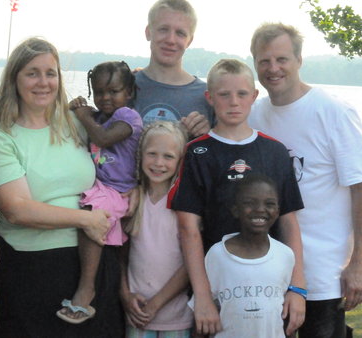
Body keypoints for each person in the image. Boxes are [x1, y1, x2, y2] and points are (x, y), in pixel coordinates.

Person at [0, 37, 125, 337]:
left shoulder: (77, 123)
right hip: (31, 270)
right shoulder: (1, 135)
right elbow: (17, 209)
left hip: (93, 264)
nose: (43, 82)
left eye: (50, 73)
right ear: (14, 79)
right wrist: (85, 219)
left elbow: (125, 150)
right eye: (32, 73)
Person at [248, 23, 362, 338]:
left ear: (299, 60)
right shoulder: (253, 115)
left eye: (282, 59)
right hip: (268, 270)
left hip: (323, 276)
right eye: (264, 61)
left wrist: (359, 262)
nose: (273, 68)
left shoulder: (334, 112)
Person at [169, 58, 305, 336]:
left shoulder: (275, 151)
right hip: (219, 287)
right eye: (224, 94)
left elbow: (289, 221)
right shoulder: (197, 153)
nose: (234, 102)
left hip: (270, 287)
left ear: (254, 96)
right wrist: (203, 296)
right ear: (209, 98)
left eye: (242, 94)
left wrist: (297, 287)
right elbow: (188, 228)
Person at [58, 61, 143, 324]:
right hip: (101, 187)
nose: (106, 98)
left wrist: (84, 115)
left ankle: (86, 288)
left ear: (129, 92)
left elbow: (103, 139)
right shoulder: (101, 117)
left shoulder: (128, 117)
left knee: (92, 214)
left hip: (118, 191)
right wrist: (78, 108)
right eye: (99, 92)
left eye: (113, 91)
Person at [193, 174, 296, 337]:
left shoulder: (285, 255)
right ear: (235, 210)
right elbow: (203, 312)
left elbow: (285, 317)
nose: (260, 209)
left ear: (277, 211)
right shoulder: (217, 255)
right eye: (250, 203)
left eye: (269, 204)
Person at [120, 121, 194, 337]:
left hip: (176, 317)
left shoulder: (184, 205)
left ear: (180, 161)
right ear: (140, 156)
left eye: (168, 156)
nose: (158, 163)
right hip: (136, 314)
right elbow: (120, 257)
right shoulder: (132, 201)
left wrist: (156, 304)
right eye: (152, 154)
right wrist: (125, 295)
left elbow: (190, 263)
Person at [132, 0, 215, 138]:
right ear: (148, 32)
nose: (171, 40)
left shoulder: (207, 97)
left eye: (180, 33)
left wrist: (209, 137)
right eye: (163, 29)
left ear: (189, 41)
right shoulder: (124, 87)